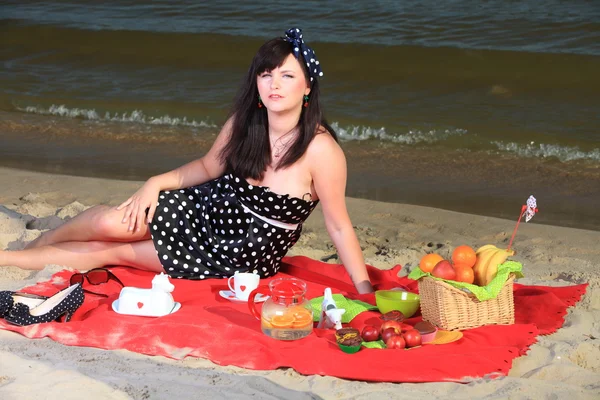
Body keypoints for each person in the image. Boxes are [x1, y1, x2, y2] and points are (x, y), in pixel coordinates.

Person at [0, 28, 374, 294]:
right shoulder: (244, 123)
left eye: (287, 75)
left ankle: (5, 259)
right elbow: (209, 168)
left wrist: (363, 289)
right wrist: (154, 182)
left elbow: (339, 227)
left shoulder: (322, 150)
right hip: (208, 205)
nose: (274, 83)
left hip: (240, 250)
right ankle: (45, 238)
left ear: (307, 86)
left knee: (109, 252)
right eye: (266, 74)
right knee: (107, 220)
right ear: (256, 83)